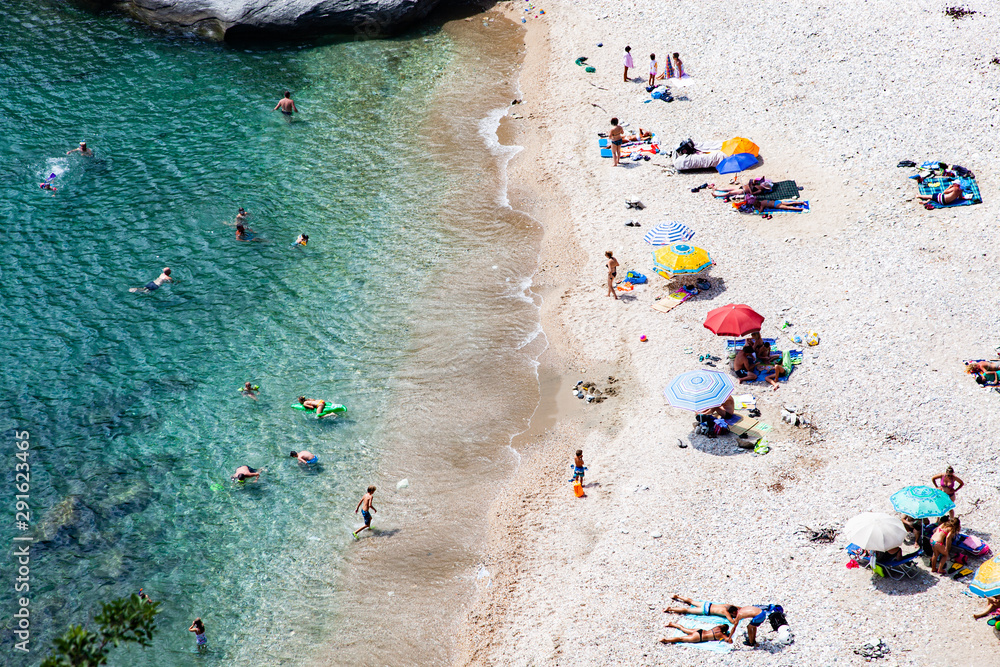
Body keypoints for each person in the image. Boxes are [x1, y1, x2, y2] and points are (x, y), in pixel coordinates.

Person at [664, 595, 739, 624]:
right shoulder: (725, 612)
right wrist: (737, 619)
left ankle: (678, 597)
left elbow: (736, 606)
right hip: (705, 610)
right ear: (732, 612)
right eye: (734, 614)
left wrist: (740, 608)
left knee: (691, 601)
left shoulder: (726, 606)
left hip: (706, 604)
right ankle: (670, 609)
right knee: (687, 610)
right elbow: (732, 622)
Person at [659, 621, 732, 644]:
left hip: (699, 631)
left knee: (683, 628)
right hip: (699, 637)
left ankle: (671, 624)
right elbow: (728, 640)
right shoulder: (721, 634)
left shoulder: (717, 627)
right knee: (680, 639)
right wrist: (728, 637)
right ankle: (666, 640)